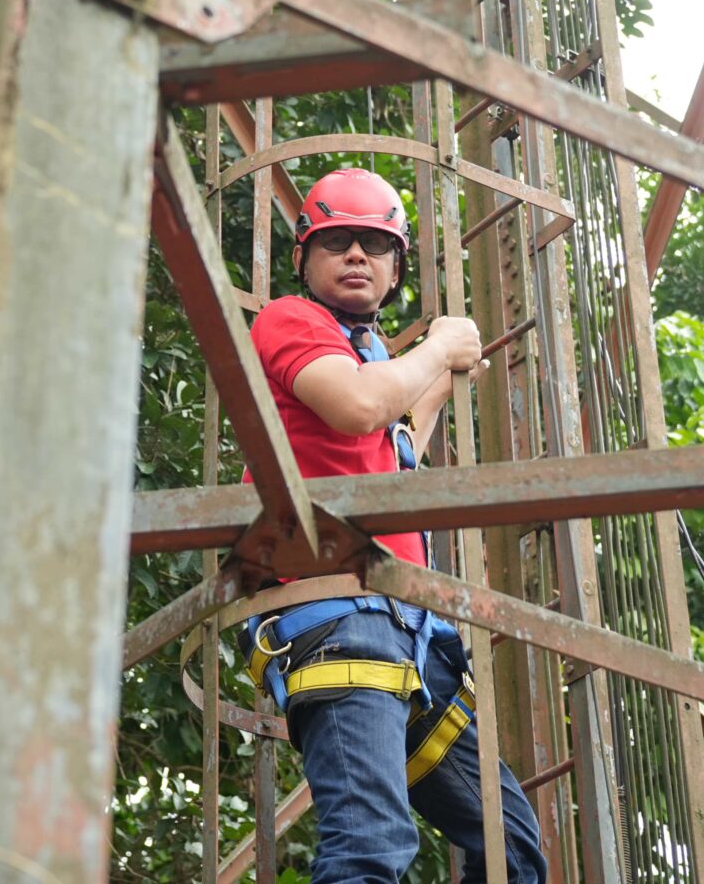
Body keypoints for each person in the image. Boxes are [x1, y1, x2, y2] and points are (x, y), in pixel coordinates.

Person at [245, 167, 547, 884]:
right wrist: (439, 348)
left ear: (395, 265)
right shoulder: (291, 321)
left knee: (511, 846)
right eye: (338, 241)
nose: (356, 254)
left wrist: (443, 364)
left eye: (374, 244)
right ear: (304, 258)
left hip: (414, 639)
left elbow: (397, 434)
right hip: (339, 622)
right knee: (370, 847)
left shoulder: (375, 354)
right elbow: (357, 407)